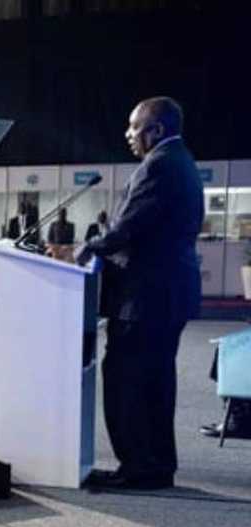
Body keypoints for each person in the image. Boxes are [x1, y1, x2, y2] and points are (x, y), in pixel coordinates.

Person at [76, 96, 203, 490]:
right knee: (154, 382)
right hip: (163, 294)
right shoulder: (180, 161)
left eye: (134, 127)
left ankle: (139, 467)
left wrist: (84, 248)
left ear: (156, 130)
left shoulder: (160, 165)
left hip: (146, 298)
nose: (128, 135)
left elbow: (128, 229)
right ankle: (155, 464)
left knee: (129, 381)